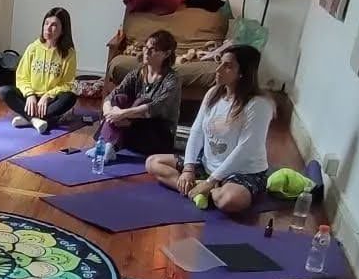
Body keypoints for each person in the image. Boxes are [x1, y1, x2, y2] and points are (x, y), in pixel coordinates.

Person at [146, 43, 272, 213]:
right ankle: (197, 190)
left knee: (230, 201)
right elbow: (197, 131)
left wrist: (211, 181)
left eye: (227, 66)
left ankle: (202, 190)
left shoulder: (259, 105)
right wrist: (189, 168)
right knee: (153, 162)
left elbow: (245, 149)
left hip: (241, 171)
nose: (218, 69)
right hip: (207, 165)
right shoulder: (213, 93)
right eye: (220, 62)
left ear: (243, 73)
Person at [92, 29, 180, 162]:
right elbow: (111, 96)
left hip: (156, 135)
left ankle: (108, 143)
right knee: (118, 99)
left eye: (153, 49)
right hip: (132, 128)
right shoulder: (137, 73)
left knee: (142, 101)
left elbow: (154, 108)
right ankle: (107, 146)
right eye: (146, 47)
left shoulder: (172, 79)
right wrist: (110, 113)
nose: (147, 52)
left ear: (167, 54)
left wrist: (123, 114)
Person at [0, 6, 78, 133]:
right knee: (4, 91)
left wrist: (48, 96)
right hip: (31, 98)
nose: (48, 28)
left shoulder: (69, 53)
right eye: (46, 23)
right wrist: (30, 95)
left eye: (54, 25)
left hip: (50, 100)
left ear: (63, 30)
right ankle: (37, 119)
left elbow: (67, 83)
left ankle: (28, 118)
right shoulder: (33, 48)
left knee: (70, 97)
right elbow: (21, 76)